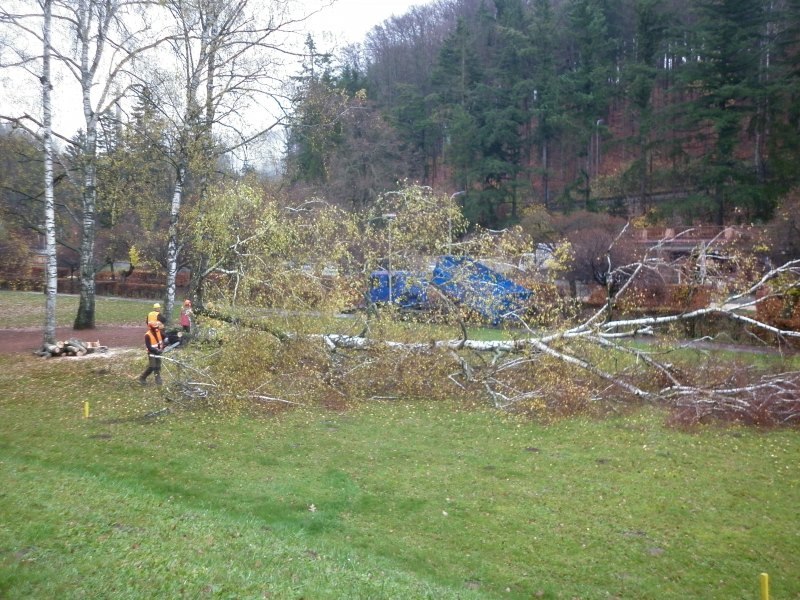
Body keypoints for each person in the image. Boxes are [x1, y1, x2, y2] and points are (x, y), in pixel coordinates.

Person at [138, 321, 165, 385]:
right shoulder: (147, 335)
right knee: (152, 366)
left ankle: (157, 378)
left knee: (158, 366)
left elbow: (165, 337)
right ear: (150, 328)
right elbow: (149, 347)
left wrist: (167, 340)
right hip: (151, 353)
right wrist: (156, 350)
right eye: (154, 328)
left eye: (156, 327)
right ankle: (142, 378)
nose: (156, 329)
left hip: (158, 352)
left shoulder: (158, 331)